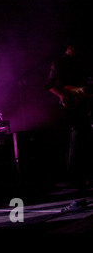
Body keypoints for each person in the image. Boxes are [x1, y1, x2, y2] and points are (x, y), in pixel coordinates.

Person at [45, 38, 93, 212]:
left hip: (84, 103)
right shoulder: (60, 63)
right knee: (79, 138)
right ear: (70, 46)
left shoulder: (82, 62)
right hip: (72, 105)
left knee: (85, 138)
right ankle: (77, 184)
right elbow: (49, 85)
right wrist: (63, 96)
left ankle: (84, 181)